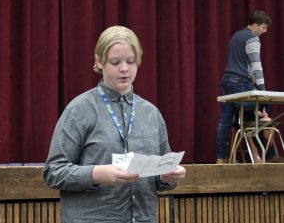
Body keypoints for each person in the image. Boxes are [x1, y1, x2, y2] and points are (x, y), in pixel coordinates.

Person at [43, 26, 186, 223]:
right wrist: (97, 174)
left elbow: (160, 177)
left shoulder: (151, 113)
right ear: (99, 61)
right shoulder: (79, 110)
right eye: (115, 62)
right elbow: (53, 172)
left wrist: (168, 177)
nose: (124, 68)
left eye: (130, 61)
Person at [216, 10, 284, 164]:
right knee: (262, 113)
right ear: (255, 25)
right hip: (240, 82)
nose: (265, 31)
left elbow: (239, 62)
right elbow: (256, 66)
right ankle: (270, 155)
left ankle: (220, 158)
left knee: (225, 121)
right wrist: (263, 91)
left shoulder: (235, 36)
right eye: (264, 27)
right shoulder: (252, 38)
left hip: (227, 81)